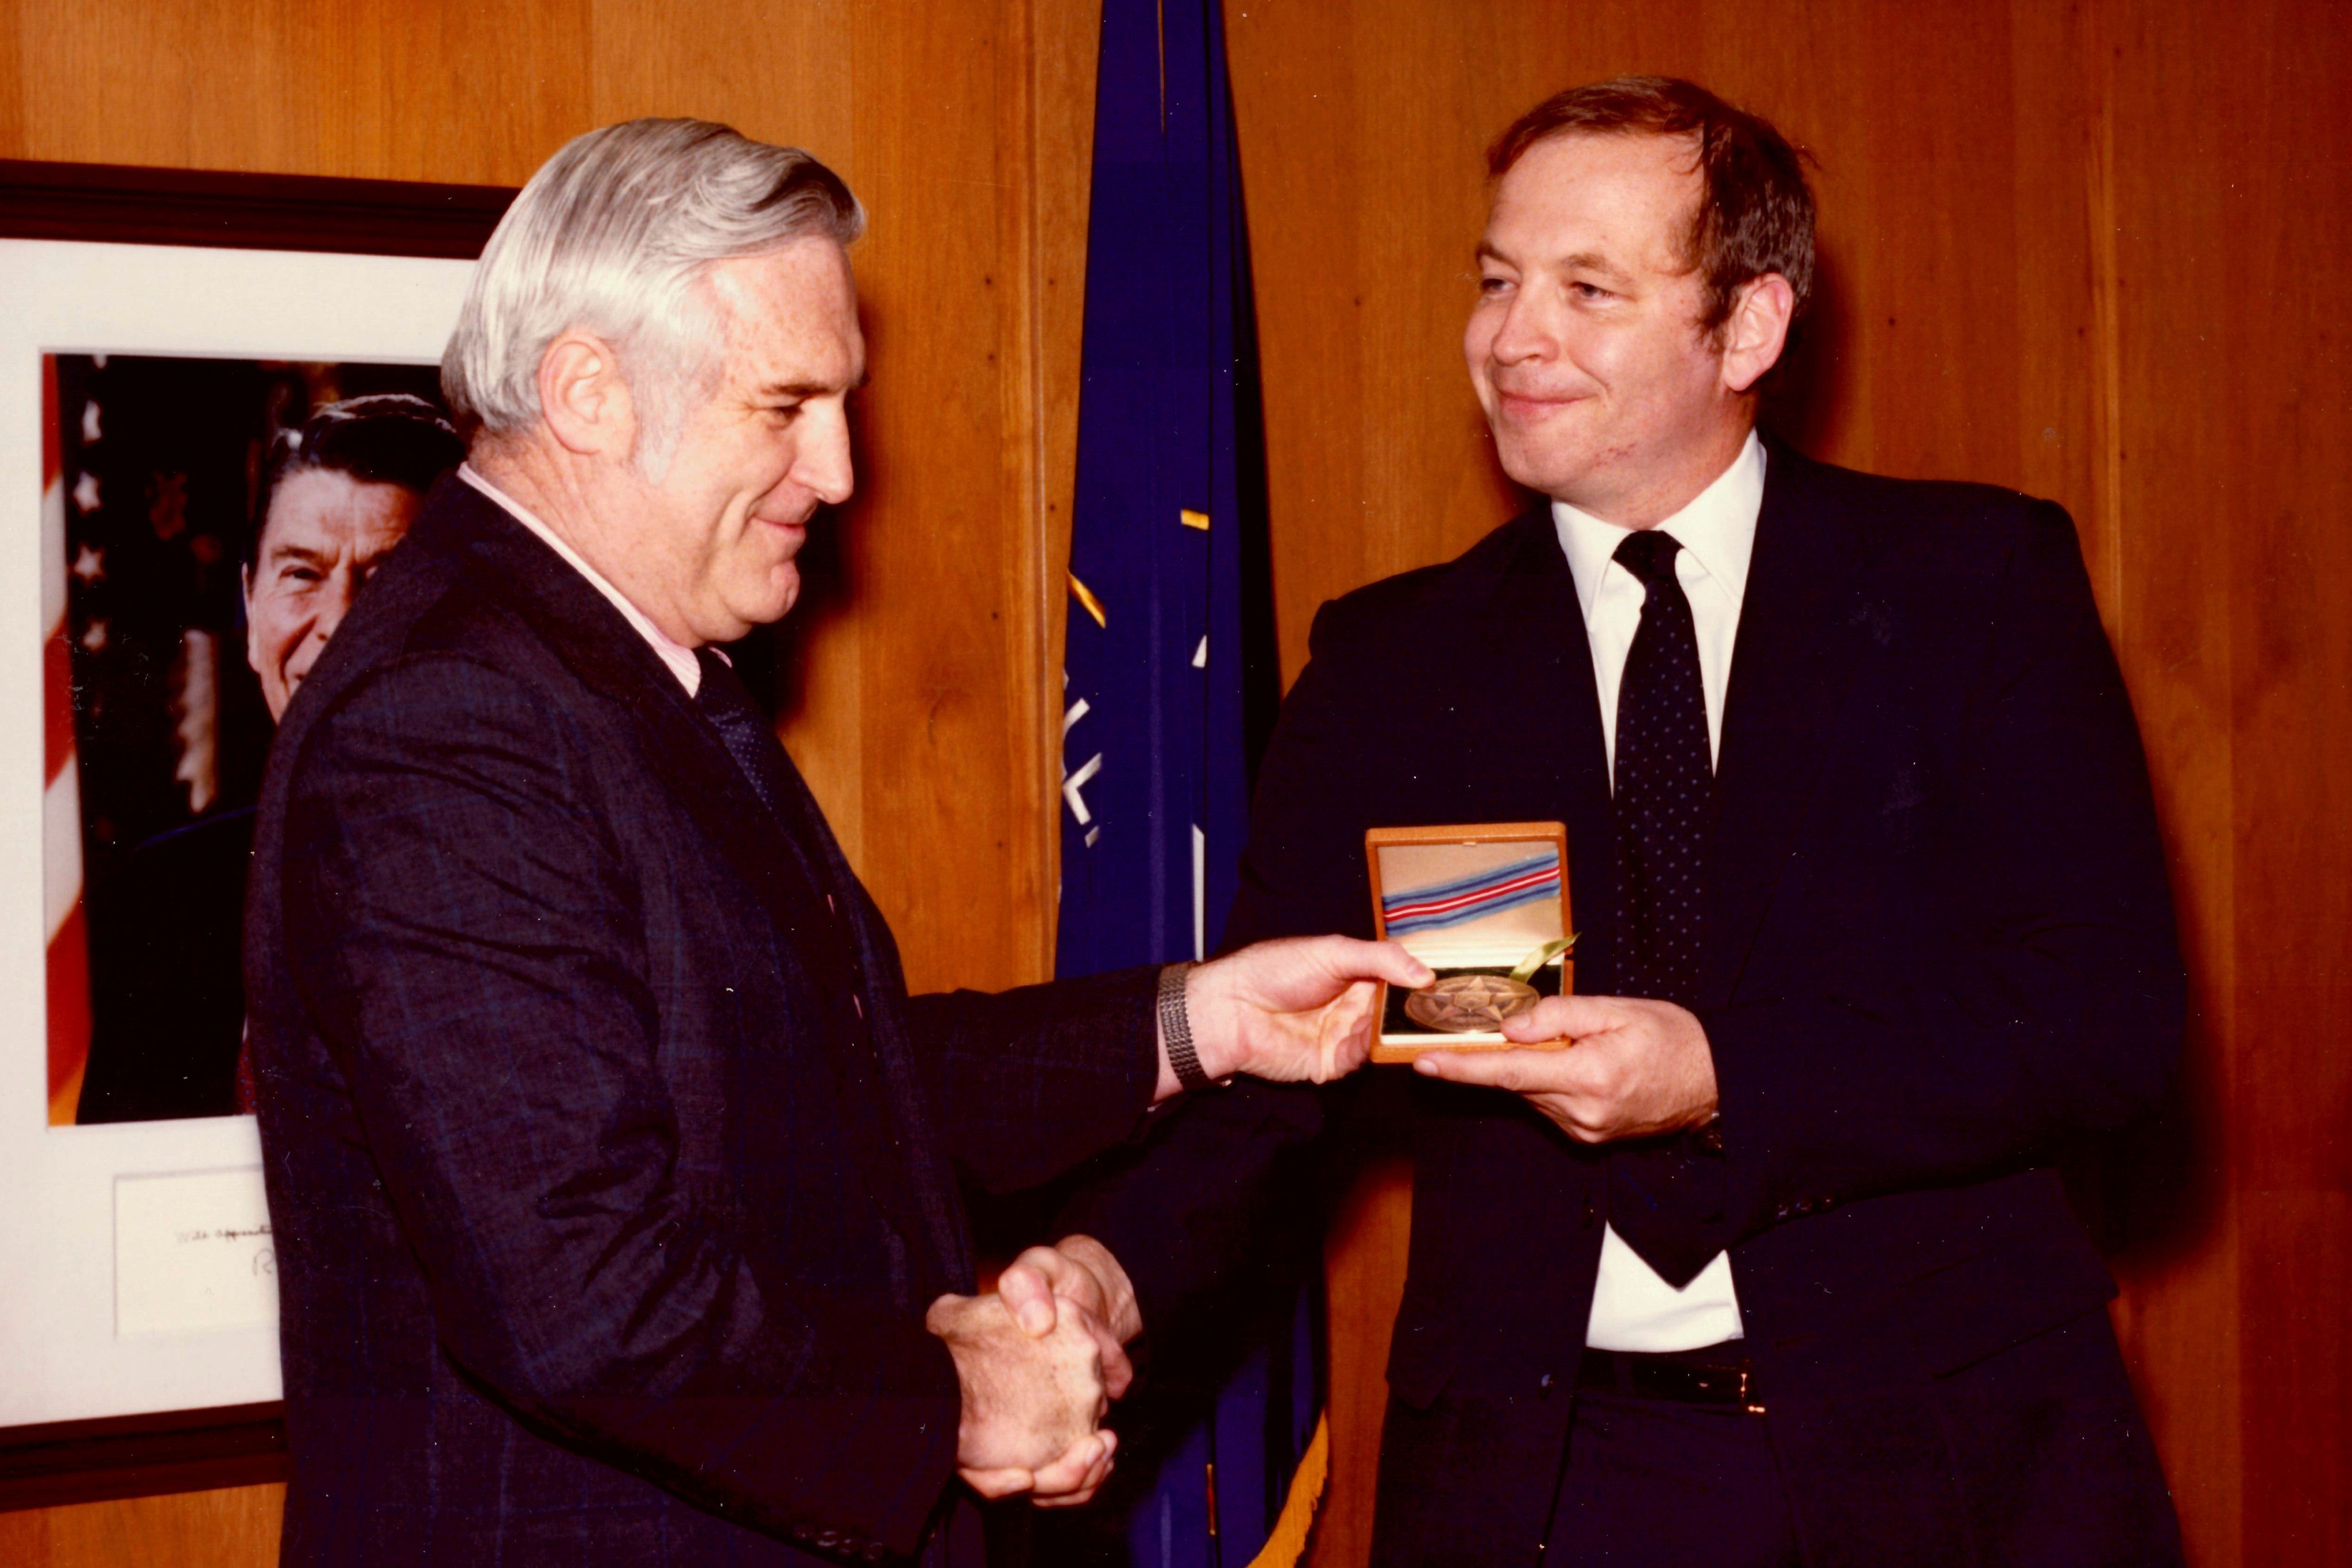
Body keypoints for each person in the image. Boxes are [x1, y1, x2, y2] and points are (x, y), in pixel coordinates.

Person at [1030, 76, 2188, 1566]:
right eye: (1497, 279)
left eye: (1586, 288)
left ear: (1747, 327)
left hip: (1944, 1461)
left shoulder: (1970, 588)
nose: (1512, 337)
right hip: (1548, 1481)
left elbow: (2101, 1022)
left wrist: (1721, 1075)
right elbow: (1278, 1077)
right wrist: (1103, 1273)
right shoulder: (1393, 662)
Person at [242, 118, 1427, 1567]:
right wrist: (963, 1399)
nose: (842, 469)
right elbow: (578, 1290)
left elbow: (822, 1083)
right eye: (786, 405)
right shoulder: (450, 714)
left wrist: (1195, 1024)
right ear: (589, 392)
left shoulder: (614, 670)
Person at [75, 394, 461, 1123]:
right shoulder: (158, 901)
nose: (340, 628)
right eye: (302, 574)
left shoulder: (549, 880)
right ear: (250, 612)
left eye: (388, 582)